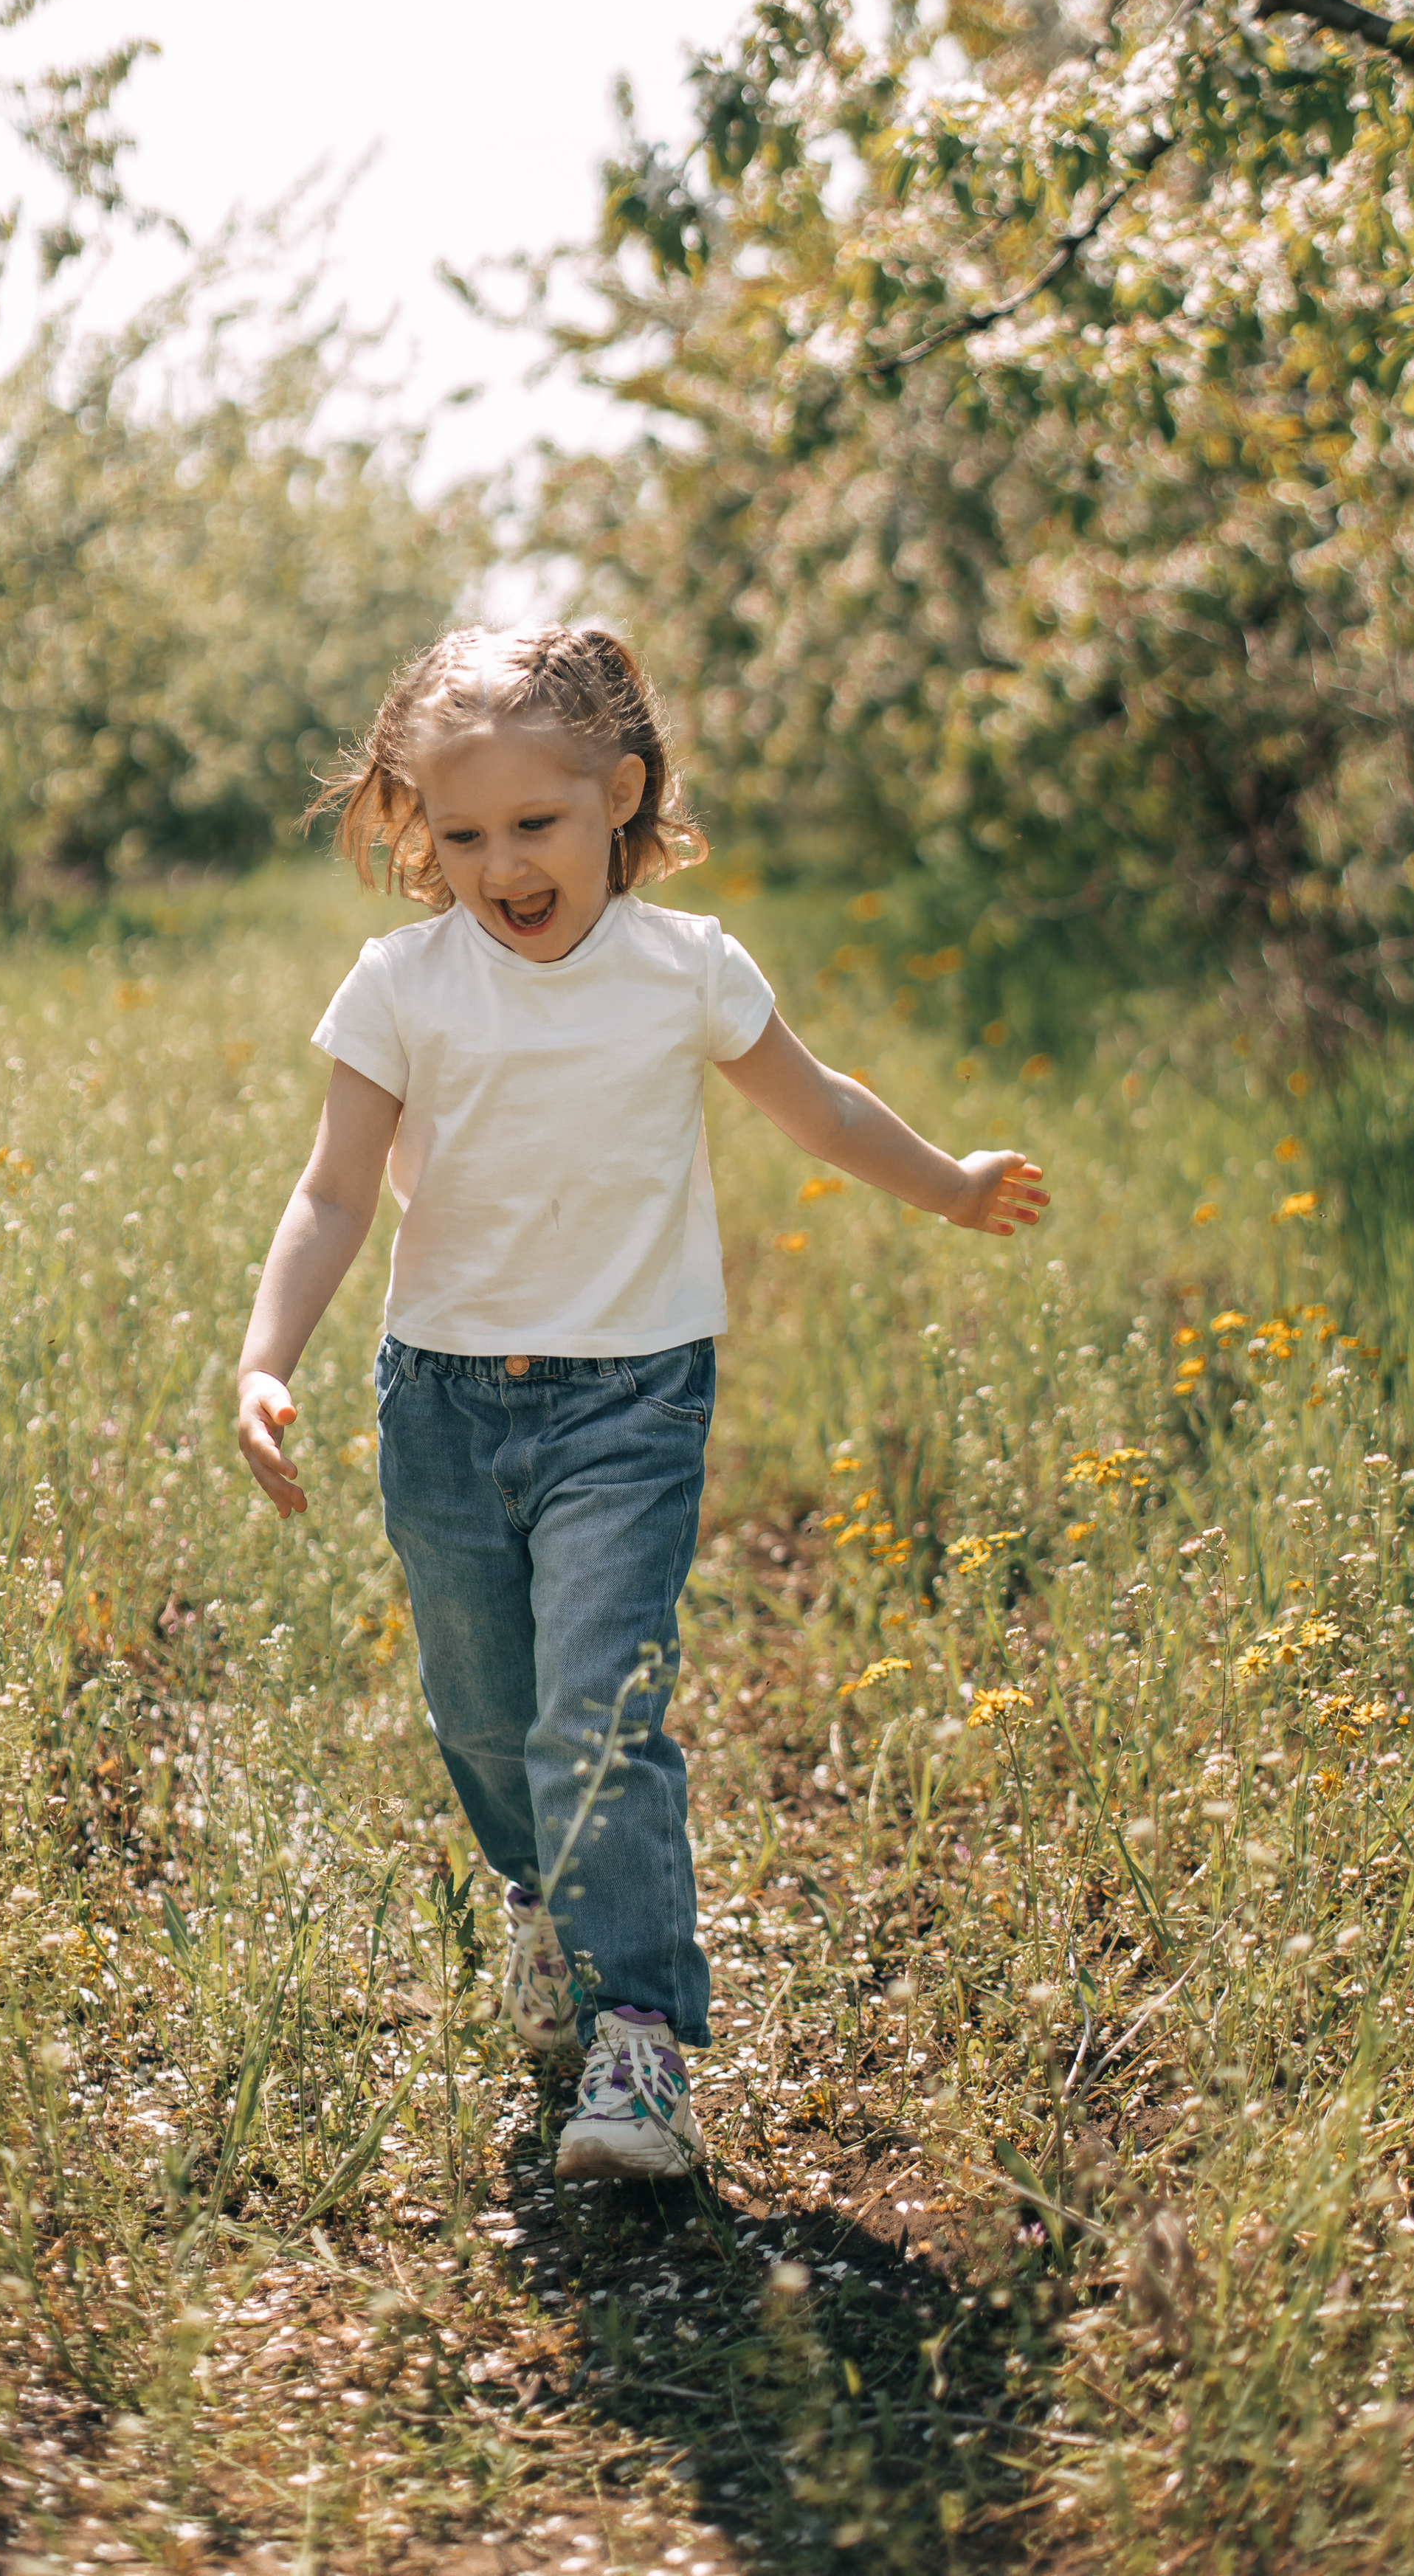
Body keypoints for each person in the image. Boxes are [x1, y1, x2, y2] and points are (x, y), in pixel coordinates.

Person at [235, 624, 1050, 2182]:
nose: (500, 865)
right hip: (447, 1405)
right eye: (459, 834)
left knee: (595, 1710)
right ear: (416, 828)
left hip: (631, 1398)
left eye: (533, 824)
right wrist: (267, 1355)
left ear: (617, 796)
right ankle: (541, 1898)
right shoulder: (400, 986)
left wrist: (944, 1184)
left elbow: (816, 1108)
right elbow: (333, 1194)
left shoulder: (685, 970)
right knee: (485, 1716)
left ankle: (641, 2041)